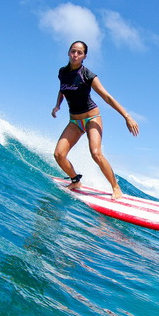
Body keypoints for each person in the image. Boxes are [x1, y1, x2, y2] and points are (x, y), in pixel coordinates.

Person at [51, 41, 139, 199]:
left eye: (79, 53)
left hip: (92, 118)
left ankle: (115, 187)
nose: (75, 55)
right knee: (59, 154)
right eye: (73, 51)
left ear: (84, 56)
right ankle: (75, 180)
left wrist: (127, 116)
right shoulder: (62, 72)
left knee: (96, 153)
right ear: (68, 52)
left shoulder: (88, 75)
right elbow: (62, 88)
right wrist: (57, 105)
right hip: (74, 121)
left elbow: (107, 97)